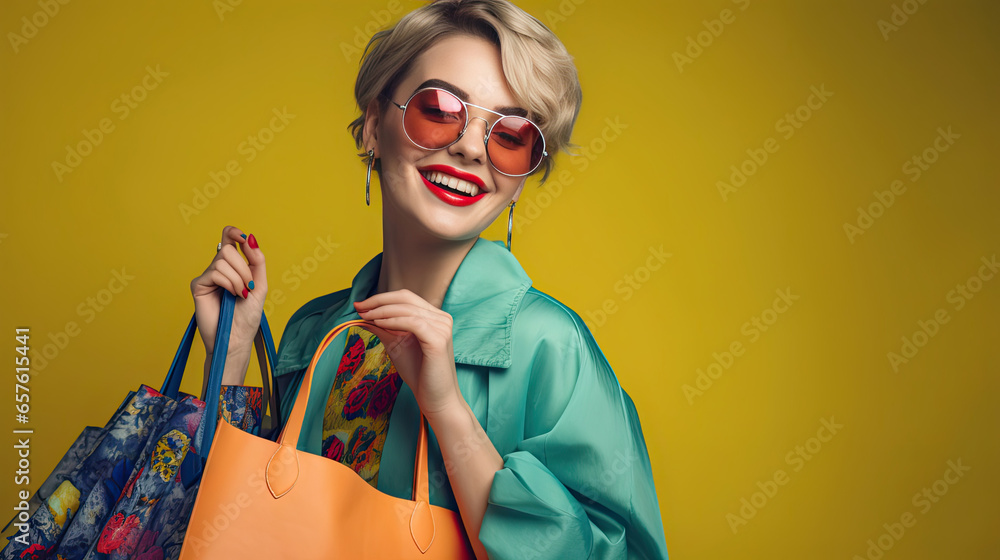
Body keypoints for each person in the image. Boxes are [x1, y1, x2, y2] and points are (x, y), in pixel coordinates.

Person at [189, 1, 669, 558]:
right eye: (440, 109)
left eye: (510, 135)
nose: (469, 147)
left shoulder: (550, 348)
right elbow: (237, 525)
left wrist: (448, 411)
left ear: (521, 179)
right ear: (373, 125)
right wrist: (232, 350)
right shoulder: (314, 332)